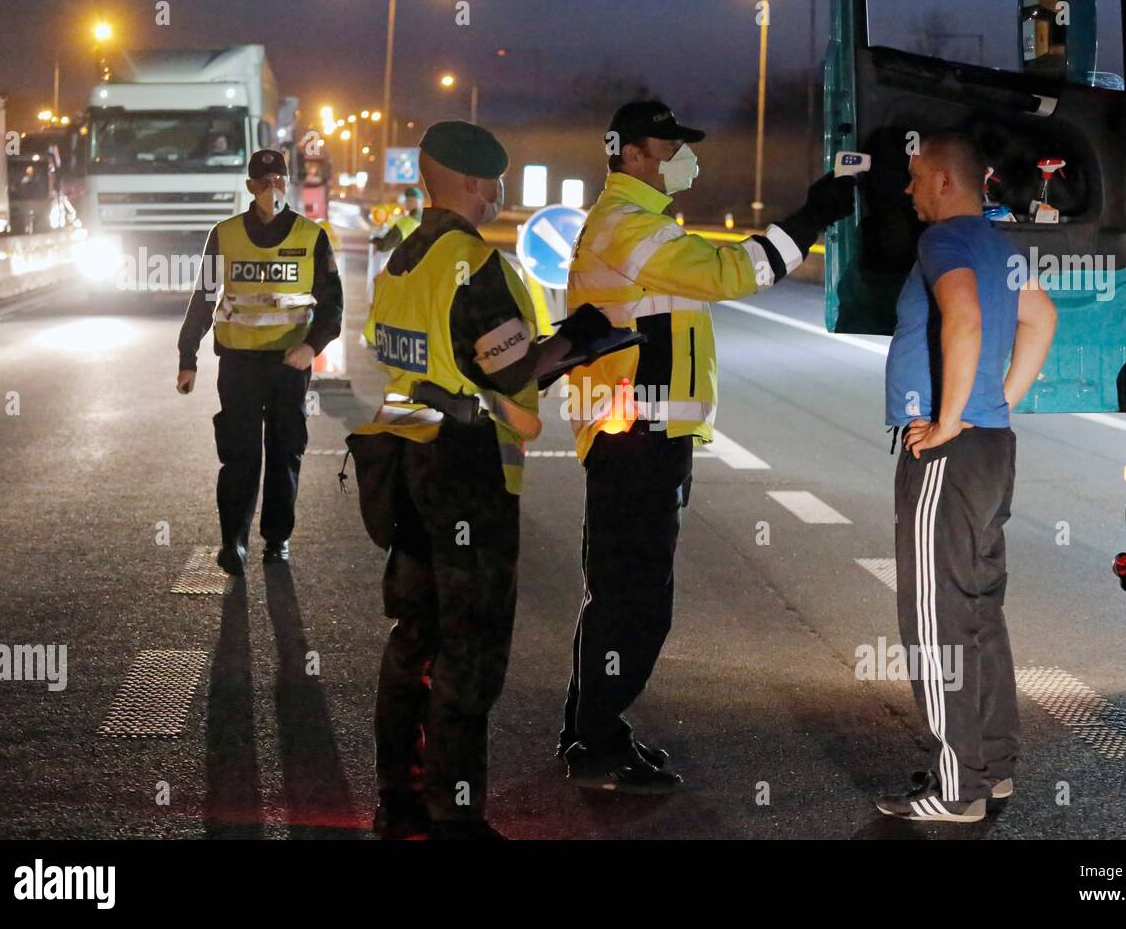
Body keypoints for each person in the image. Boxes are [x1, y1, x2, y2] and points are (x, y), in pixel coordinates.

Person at [558, 100, 859, 792]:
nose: (682, 156)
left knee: (618, 595)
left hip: (643, 437)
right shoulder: (629, 227)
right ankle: (597, 747)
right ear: (632, 154)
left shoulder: (639, 225)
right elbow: (734, 274)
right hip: (635, 438)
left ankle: (592, 730)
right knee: (634, 602)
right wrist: (812, 215)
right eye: (670, 145)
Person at [359, 120, 613, 840]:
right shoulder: (476, 264)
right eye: (494, 178)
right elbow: (510, 370)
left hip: (403, 464)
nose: (499, 190)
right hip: (466, 474)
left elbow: (420, 358)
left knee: (415, 637)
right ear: (474, 182)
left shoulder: (401, 260)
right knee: (469, 650)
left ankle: (398, 800)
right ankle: (455, 813)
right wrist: (576, 342)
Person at [874, 129, 1056, 823]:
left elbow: (965, 318)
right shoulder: (1000, 245)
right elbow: (1042, 318)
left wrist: (949, 419)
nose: (908, 188)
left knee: (935, 618)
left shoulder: (943, 242)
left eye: (916, 176)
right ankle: (992, 767)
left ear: (947, 181)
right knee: (978, 609)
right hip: (992, 449)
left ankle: (958, 789)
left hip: (949, 454)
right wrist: (1000, 401)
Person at [176, 148, 343, 576]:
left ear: (288, 184)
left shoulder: (311, 236)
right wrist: (187, 356)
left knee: (286, 451)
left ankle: (277, 539)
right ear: (250, 186)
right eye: (264, 182)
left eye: (279, 181)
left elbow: (332, 305)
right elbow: (206, 296)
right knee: (240, 454)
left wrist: (311, 347)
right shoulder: (226, 234)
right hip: (238, 363)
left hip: (289, 366)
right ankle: (233, 541)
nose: (273, 188)